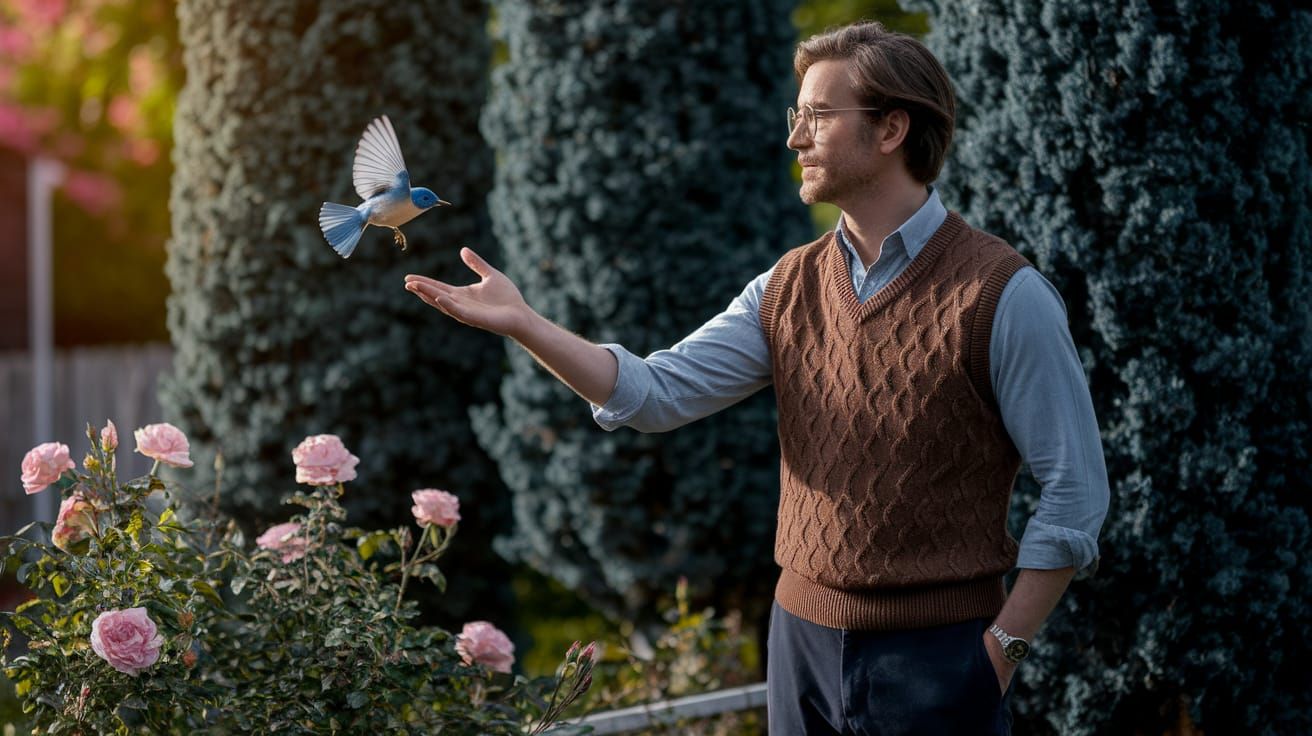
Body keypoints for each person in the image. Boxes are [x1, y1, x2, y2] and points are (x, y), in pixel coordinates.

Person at [404, 20, 1109, 736]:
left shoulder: (1003, 294)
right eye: (795, 115)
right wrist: (526, 323)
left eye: (817, 115)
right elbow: (655, 393)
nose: (795, 137)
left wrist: (1001, 653)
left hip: (939, 657)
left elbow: (1077, 491)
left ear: (892, 127)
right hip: (798, 643)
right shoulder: (786, 287)